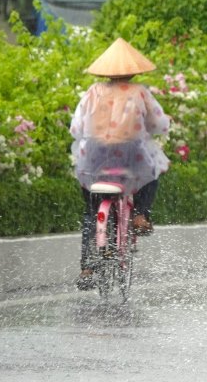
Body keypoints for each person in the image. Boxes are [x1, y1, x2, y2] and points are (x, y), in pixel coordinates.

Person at [70, 38, 171, 289]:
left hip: (93, 159)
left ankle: (86, 267)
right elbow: (159, 125)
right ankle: (140, 214)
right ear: (133, 70)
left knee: (91, 212)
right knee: (154, 168)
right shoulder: (139, 92)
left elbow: (76, 127)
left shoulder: (92, 92)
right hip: (130, 158)